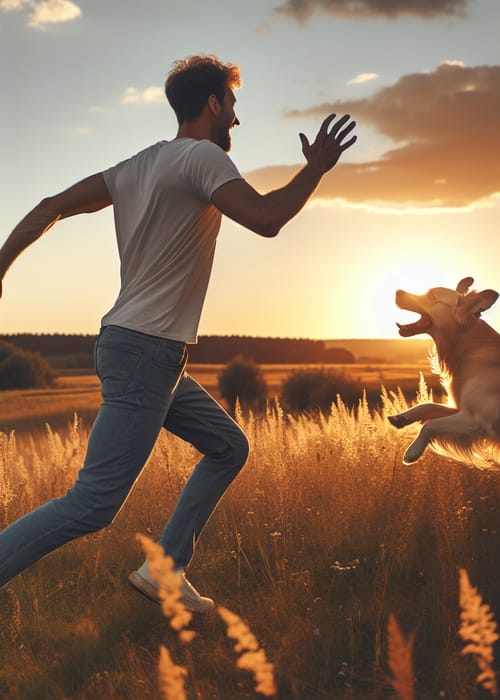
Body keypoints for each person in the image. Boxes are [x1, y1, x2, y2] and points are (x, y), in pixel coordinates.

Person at [0, 55, 356, 612]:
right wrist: (315, 169)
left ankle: (164, 570)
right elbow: (266, 219)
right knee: (92, 504)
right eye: (232, 104)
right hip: (148, 353)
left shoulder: (137, 166)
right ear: (213, 103)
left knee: (228, 446)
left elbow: (49, 207)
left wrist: (1, 266)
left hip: (136, 348)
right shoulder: (203, 158)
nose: (235, 118)